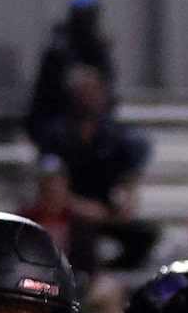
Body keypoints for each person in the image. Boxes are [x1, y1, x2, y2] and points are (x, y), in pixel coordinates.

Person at [36, 68, 158, 276]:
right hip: (69, 211)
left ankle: (109, 278)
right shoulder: (58, 136)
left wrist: (126, 203)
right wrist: (80, 207)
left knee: (144, 235)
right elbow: (51, 186)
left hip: (104, 211)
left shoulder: (112, 136)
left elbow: (131, 173)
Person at [27, 0, 121, 149]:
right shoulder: (59, 50)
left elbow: (106, 84)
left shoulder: (98, 49)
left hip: (93, 122)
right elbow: (54, 92)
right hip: (58, 118)